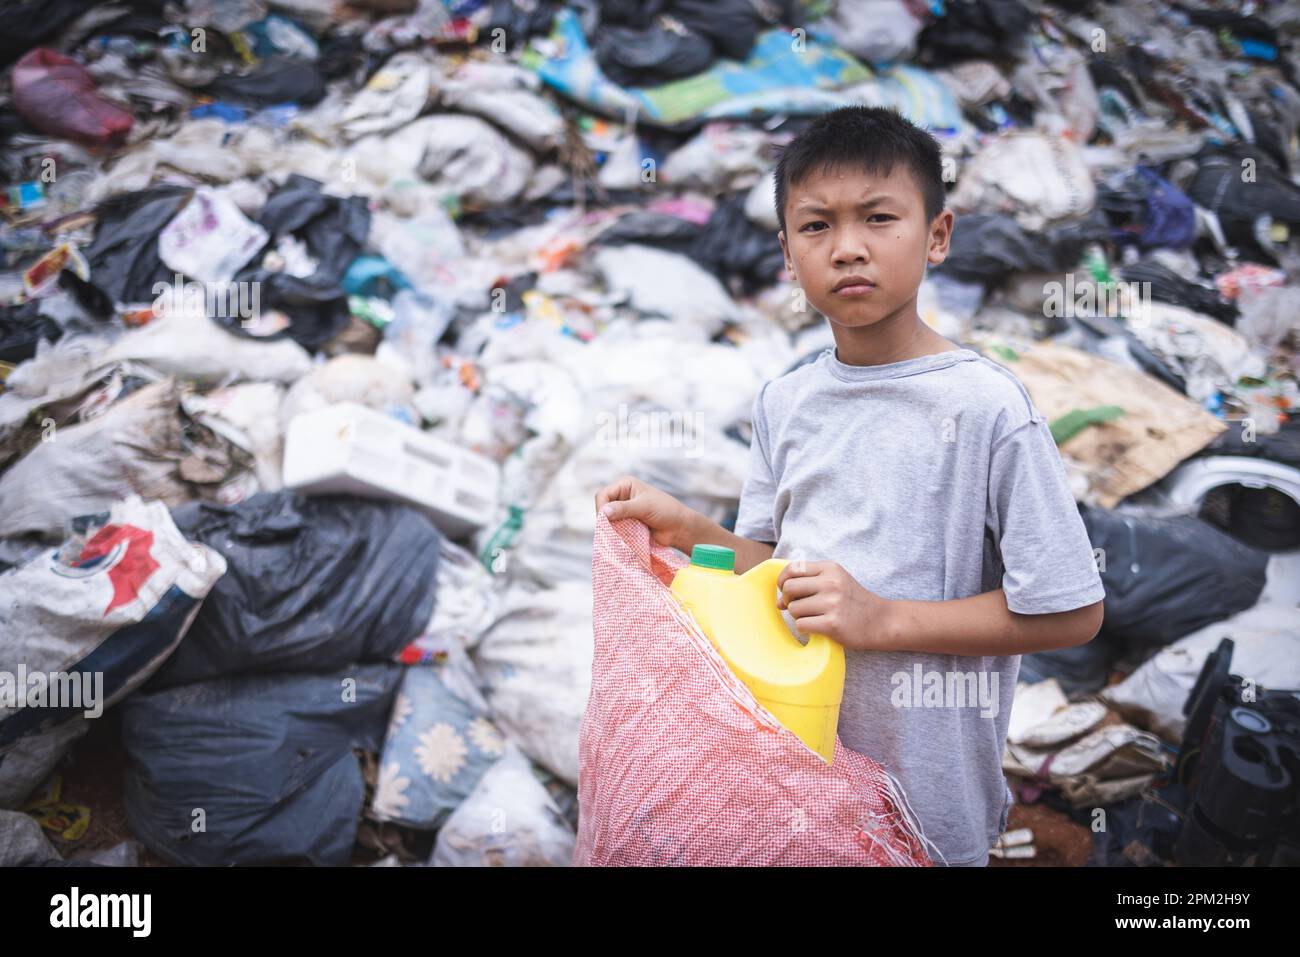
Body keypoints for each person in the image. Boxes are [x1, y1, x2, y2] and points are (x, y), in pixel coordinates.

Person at [594, 106, 1105, 867]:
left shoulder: (987, 408)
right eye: (816, 227)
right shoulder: (785, 402)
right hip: (794, 784)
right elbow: (767, 572)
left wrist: (884, 619)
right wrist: (682, 526)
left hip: (926, 803)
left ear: (937, 235)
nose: (849, 248)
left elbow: (1071, 611)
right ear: (787, 254)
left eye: (878, 217)